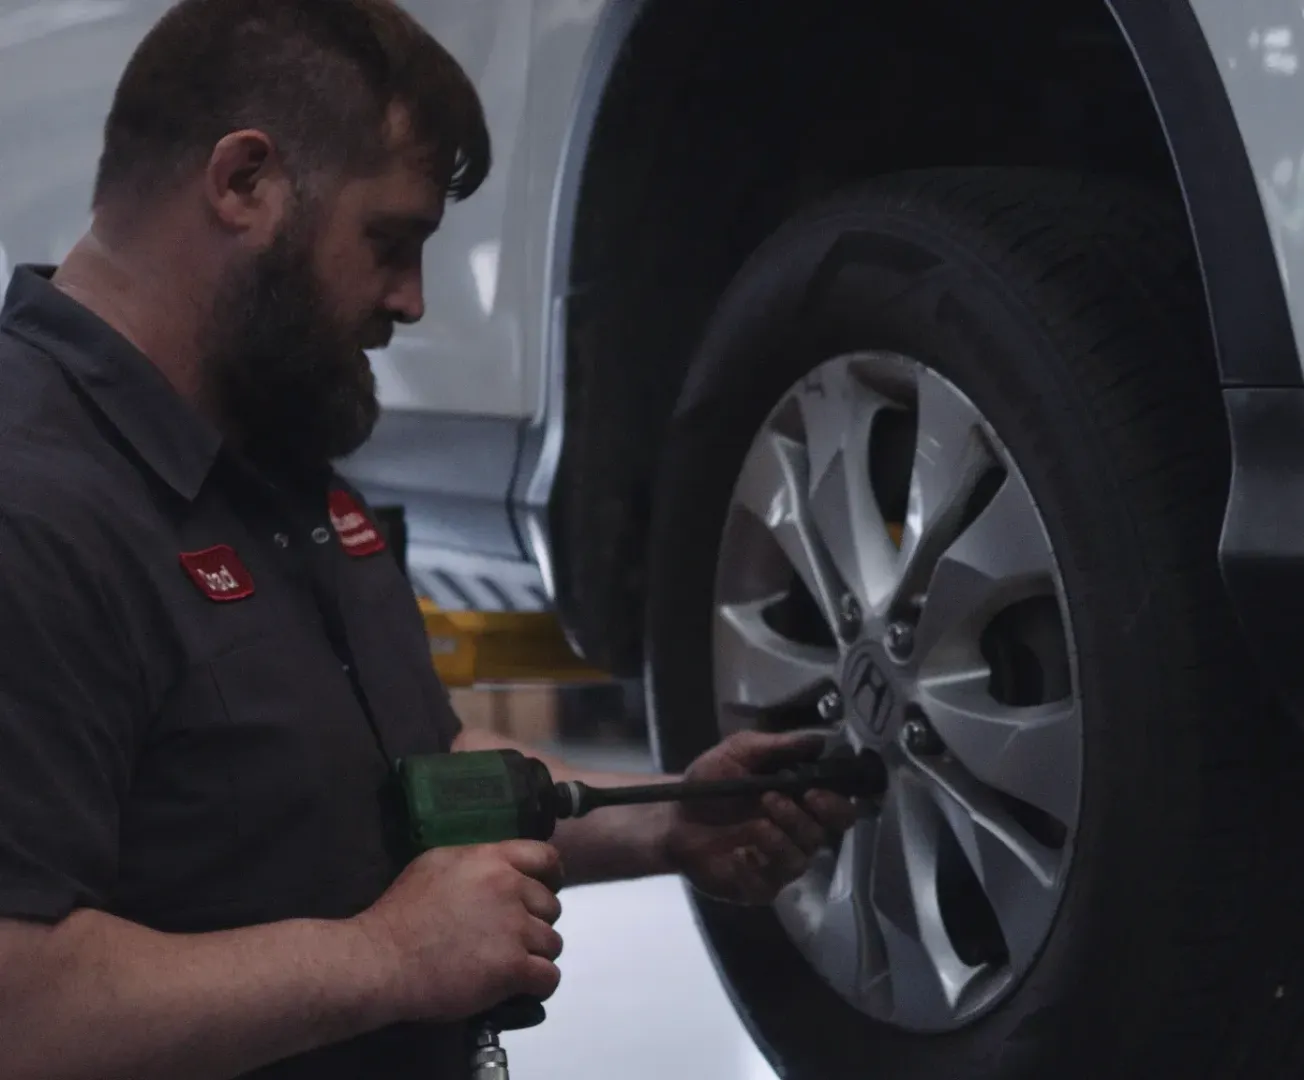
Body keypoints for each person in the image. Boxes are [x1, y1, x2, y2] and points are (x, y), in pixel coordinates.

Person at [0, 2, 860, 1078]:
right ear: (244, 183)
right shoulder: (33, 509)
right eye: (391, 241)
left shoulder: (265, 442)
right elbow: (20, 1008)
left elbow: (411, 774)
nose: (409, 299)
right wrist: (389, 959)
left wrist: (666, 820)